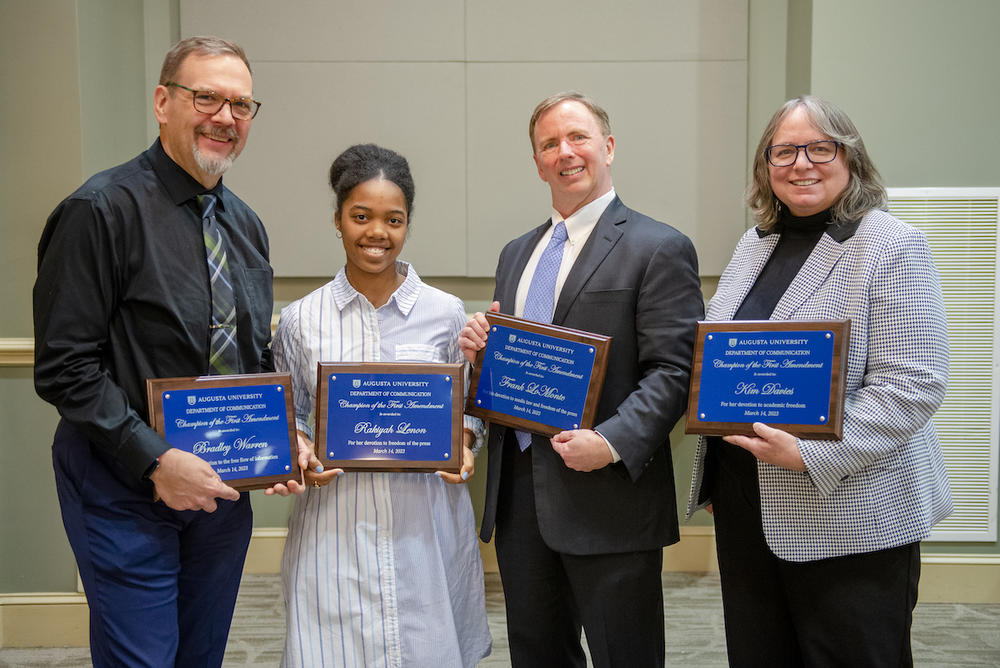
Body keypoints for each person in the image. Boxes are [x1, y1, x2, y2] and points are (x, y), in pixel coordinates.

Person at [32, 36, 295, 667]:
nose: (226, 118)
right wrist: (155, 461)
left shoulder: (246, 225)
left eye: (242, 105)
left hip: (223, 494)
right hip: (123, 485)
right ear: (163, 101)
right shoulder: (99, 211)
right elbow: (65, 366)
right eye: (207, 97)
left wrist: (282, 439)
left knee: (198, 658)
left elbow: (250, 356)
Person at [686, 96, 952, 667]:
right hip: (748, 506)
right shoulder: (753, 244)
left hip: (851, 511)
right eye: (784, 151)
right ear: (766, 166)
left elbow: (912, 384)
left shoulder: (892, 245)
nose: (801, 163)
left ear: (850, 157)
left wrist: (808, 455)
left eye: (819, 148)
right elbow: (728, 358)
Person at [459, 92, 704, 666]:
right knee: (538, 654)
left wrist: (613, 442)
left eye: (578, 138)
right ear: (538, 161)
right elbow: (521, 368)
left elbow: (674, 370)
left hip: (609, 501)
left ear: (608, 147)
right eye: (549, 144)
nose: (564, 152)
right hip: (519, 500)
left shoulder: (658, 247)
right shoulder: (517, 253)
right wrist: (481, 354)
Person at [272, 143, 491, 668]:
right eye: (361, 216)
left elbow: (465, 408)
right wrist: (301, 448)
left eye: (393, 220)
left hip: (424, 525)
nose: (377, 233)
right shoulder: (302, 319)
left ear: (407, 224)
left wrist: (464, 442)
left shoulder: (445, 313)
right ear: (338, 219)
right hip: (334, 526)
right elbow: (293, 415)